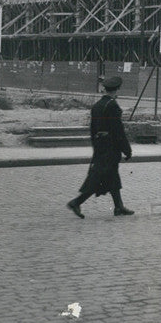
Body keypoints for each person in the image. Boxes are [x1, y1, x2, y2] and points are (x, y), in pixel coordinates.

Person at [66, 76, 134, 218]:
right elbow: (118, 131)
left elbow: (92, 130)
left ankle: (119, 207)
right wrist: (127, 150)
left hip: (100, 147)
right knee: (98, 178)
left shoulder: (97, 106)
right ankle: (76, 202)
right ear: (116, 90)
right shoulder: (113, 106)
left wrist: (96, 147)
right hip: (110, 148)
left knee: (112, 177)